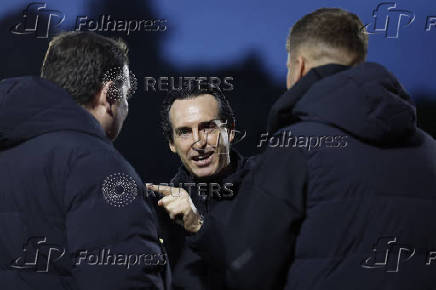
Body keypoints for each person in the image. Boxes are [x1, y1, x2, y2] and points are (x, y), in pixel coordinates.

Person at [203, 8, 436, 290]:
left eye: (288, 68)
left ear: (299, 66)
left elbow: (246, 268)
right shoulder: (429, 149)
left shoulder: (295, 147)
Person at [0, 31, 169, 289]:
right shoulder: (98, 166)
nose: (126, 106)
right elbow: (121, 280)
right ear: (109, 95)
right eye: (125, 95)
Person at [146, 85, 254, 289]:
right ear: (171, 143)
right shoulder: (161, 212)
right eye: (185, 132)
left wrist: (197, 225)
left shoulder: (268, 183)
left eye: (207, 127)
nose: (198, 142)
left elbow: (261, 270)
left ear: (230, 131)